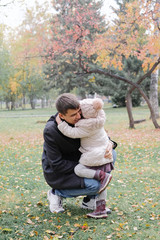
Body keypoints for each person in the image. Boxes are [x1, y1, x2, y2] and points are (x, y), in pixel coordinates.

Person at [42, 93, 116, 218]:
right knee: (95, 185)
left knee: (110, 154)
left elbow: (97, 135)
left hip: (83, 163)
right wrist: (86, 166)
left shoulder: (83, 116)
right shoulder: (51, 131)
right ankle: (56, 193)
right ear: (61, 116)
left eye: (78, 112)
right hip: (61, 171)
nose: (78, 116)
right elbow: (56, 164)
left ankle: (90, 201)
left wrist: (110, 143)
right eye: (73, 115)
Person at [56, 98, 113, 195]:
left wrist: (60, 123)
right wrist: (110, 143)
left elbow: (71, 132)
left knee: (79, 170)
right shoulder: (98, 120)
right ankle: (100, 205)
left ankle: (102, 176)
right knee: (101, 184)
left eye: (80, 112)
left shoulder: (86, 126)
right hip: (103, 152)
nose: (78, 116)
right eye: (75, 114)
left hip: (95, 154)